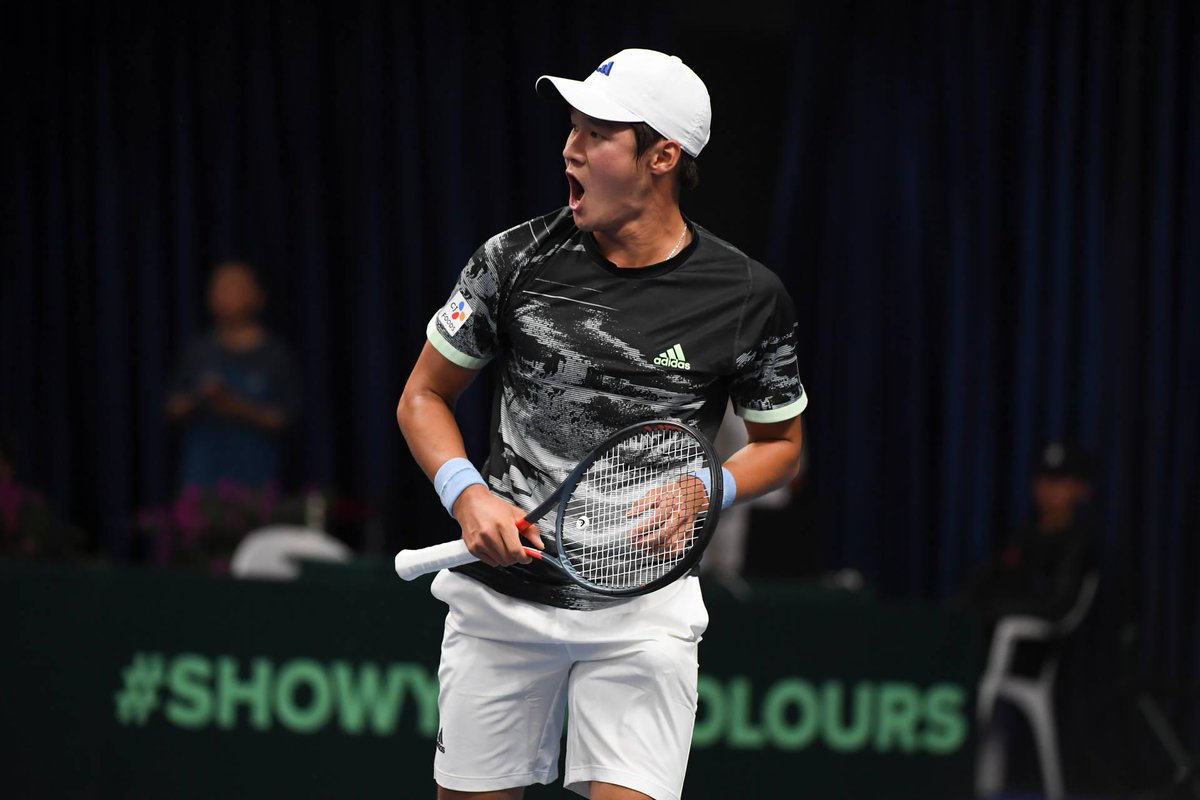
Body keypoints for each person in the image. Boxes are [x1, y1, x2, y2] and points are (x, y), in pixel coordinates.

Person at [396, 48, 807, 800]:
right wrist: (467, 494)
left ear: (662, 156)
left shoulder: (748, 296)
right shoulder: (514, 260)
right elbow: (422, 395)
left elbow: (780, 447)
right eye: (572, 128)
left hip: (644, 611)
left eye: (596, 133)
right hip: (501, 603)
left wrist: (707, 488)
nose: (570, 149)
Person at [166, 260, 300, 490]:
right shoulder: (198, 352)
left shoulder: (274, 354)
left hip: (256, 479)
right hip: (203, 477)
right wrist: (201, 396)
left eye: (235, 288)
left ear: (257, 296)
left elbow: (285, 418)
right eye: (219, 288)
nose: (226, 296)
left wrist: (236, 406)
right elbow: (172, 408)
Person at [967, 441, 1098, 628]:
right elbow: (982, 583)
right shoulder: (1021, 538)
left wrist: (995, 611)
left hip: (1029, 637)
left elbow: (1057, 605)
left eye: (1061, 481)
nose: (1050, 489)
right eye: (1045, 479)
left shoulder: (1079, 543)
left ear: (1081, 488)